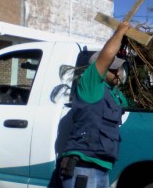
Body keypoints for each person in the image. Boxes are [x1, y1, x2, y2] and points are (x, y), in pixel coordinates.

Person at [58, 21, 130, 188]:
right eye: (114, 69)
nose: (119, 72)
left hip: (101, 167)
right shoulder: (91, 86)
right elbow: (106, 55)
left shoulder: (113, 93)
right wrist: (119, 32)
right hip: (83, 167)